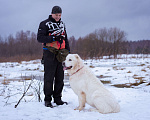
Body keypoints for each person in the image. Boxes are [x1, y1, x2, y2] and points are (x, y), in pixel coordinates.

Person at [37, 6, 70, 108]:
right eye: (56, 15)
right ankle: (47, 100)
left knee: (60, 77)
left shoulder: (62, 24)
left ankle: (58, 99)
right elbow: (40, 38)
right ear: (52, 14)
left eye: (59, 15)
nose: (58, 17)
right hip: (49, 53)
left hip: (61, 54)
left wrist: (68, 52)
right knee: (49, 78)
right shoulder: (44, 24)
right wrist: (53, 38)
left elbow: (66, 38)